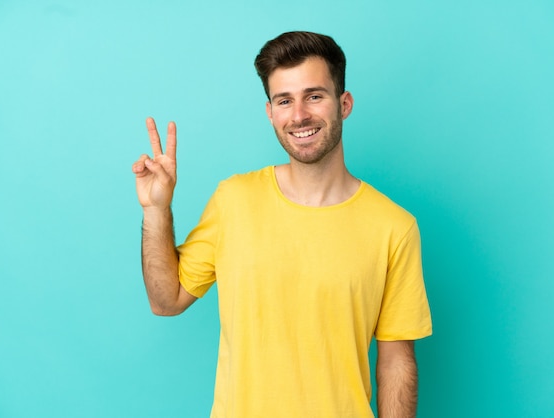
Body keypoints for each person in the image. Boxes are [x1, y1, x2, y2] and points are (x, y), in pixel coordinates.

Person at [132, 31, 432, 418]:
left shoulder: (394, 227)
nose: (299, 114)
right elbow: (165, 300)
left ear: (345, 103)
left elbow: (396, 361)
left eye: (314, 96)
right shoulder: (233, 200)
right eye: (284, 100)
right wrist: (156, 209)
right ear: (270, 112)